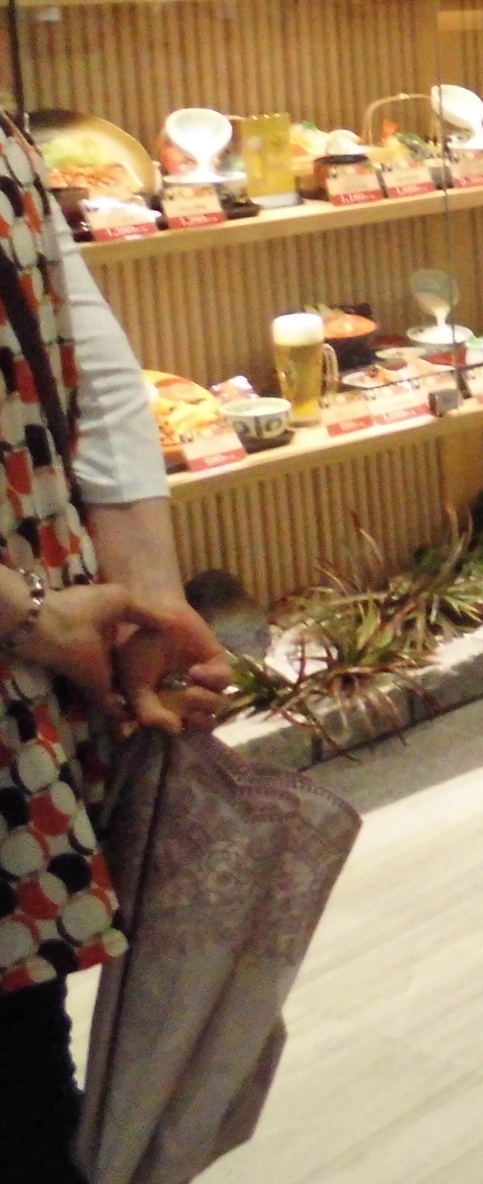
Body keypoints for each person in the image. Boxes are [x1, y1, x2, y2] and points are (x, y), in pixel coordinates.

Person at [0, 116, 231, 1177]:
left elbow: (66, 318)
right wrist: (26, 613)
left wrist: (145, 597)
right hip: (26, 625)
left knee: (23, 1052)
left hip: (34, 648)